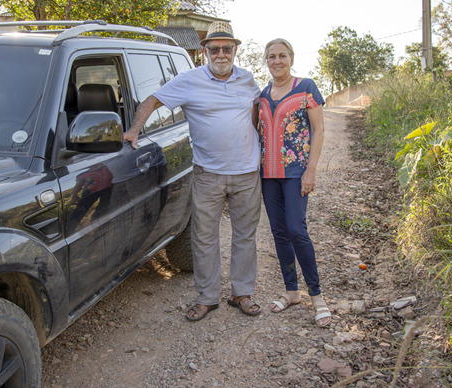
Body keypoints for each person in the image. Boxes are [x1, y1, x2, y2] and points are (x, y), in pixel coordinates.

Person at [124, 21, 263, 321]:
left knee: (244, 236)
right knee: (204, 237)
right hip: (207, 174)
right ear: (205, 51)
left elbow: (257, 113)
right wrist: (135, 130)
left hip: (247, 173)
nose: (221, 54)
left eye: (227, 48)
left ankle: (242, 293)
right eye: (215, 48)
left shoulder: (248, 80)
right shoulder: (189, 80)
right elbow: (152, 100)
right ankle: (207, 297)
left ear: (236, 49)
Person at [258, 38, 330, 327]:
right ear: (266, 61)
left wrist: (310, 170)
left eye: (282, 56)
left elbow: (319, 130)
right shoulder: (263, 94)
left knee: (296, 229)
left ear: (291, 58)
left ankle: (317, 296)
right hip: (268, 175)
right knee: (278, 232)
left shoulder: (306, 88)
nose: (278, 61)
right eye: (272, 56)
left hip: (295, 171)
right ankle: (291, 292)